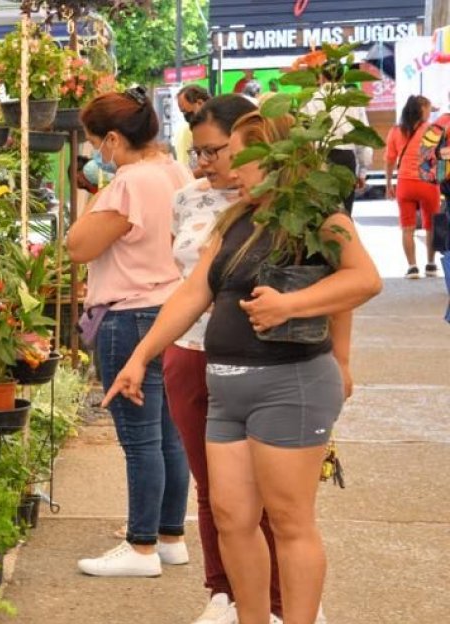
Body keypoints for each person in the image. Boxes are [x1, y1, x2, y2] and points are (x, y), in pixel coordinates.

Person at [104, 111, 382, 624]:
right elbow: (192, 293)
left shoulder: (317, 216)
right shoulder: (234, 219)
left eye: (238, 153)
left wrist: (292, 306)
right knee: (232, 518)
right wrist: (140, 357)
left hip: (290, 384)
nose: (227, 164)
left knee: (289, 519)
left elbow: (365, 280)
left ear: (275, 159)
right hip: (227, 388)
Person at [68, 86, 193, 578]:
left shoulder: (128, 183)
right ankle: (169, 537)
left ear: (114, 139)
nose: (96, 153)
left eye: (96, 142)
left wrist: (98, 188)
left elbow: (78, 245)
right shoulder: (176, 170)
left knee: (138, 439)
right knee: (170, 435)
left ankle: (140, 547)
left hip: (128, 314)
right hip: (172, 311)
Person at [173, 95, 287, 624]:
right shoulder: (188, 200)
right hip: (191, 352)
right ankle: (223, 592)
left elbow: (338, 279)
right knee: (212, 488)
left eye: (214, 151)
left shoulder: (284, 207)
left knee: (270, 496)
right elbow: (184, 285)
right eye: (197, 153)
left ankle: (282, 601)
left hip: (264, 362)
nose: (205, 164)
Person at [384, 95, 442, 278]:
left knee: (407, 227)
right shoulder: (433, 131)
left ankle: (412, 267)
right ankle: (431, 264)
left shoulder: (396, 131)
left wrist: (388, 183)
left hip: (405, 184)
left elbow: (389, 160)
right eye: (428, 108)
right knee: (431, 225)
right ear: (422, 110)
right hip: (427, 182)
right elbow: (440, 157)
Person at [301, 67, 372, 215]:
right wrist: (363, 171)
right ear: (342, 77)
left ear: (321, 76)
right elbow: (364, 136)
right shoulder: (353, 101)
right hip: (346, 159)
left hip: (319, 159)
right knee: (344, 213)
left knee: (320, 214)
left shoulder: (310, 100)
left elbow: (302, 135)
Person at [175, 85, 212, 171]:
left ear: (200, 103)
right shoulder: (190, 130)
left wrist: (190, 177)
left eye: (186, 111)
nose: (185, 116)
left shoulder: (218, 127)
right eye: (182, 112)